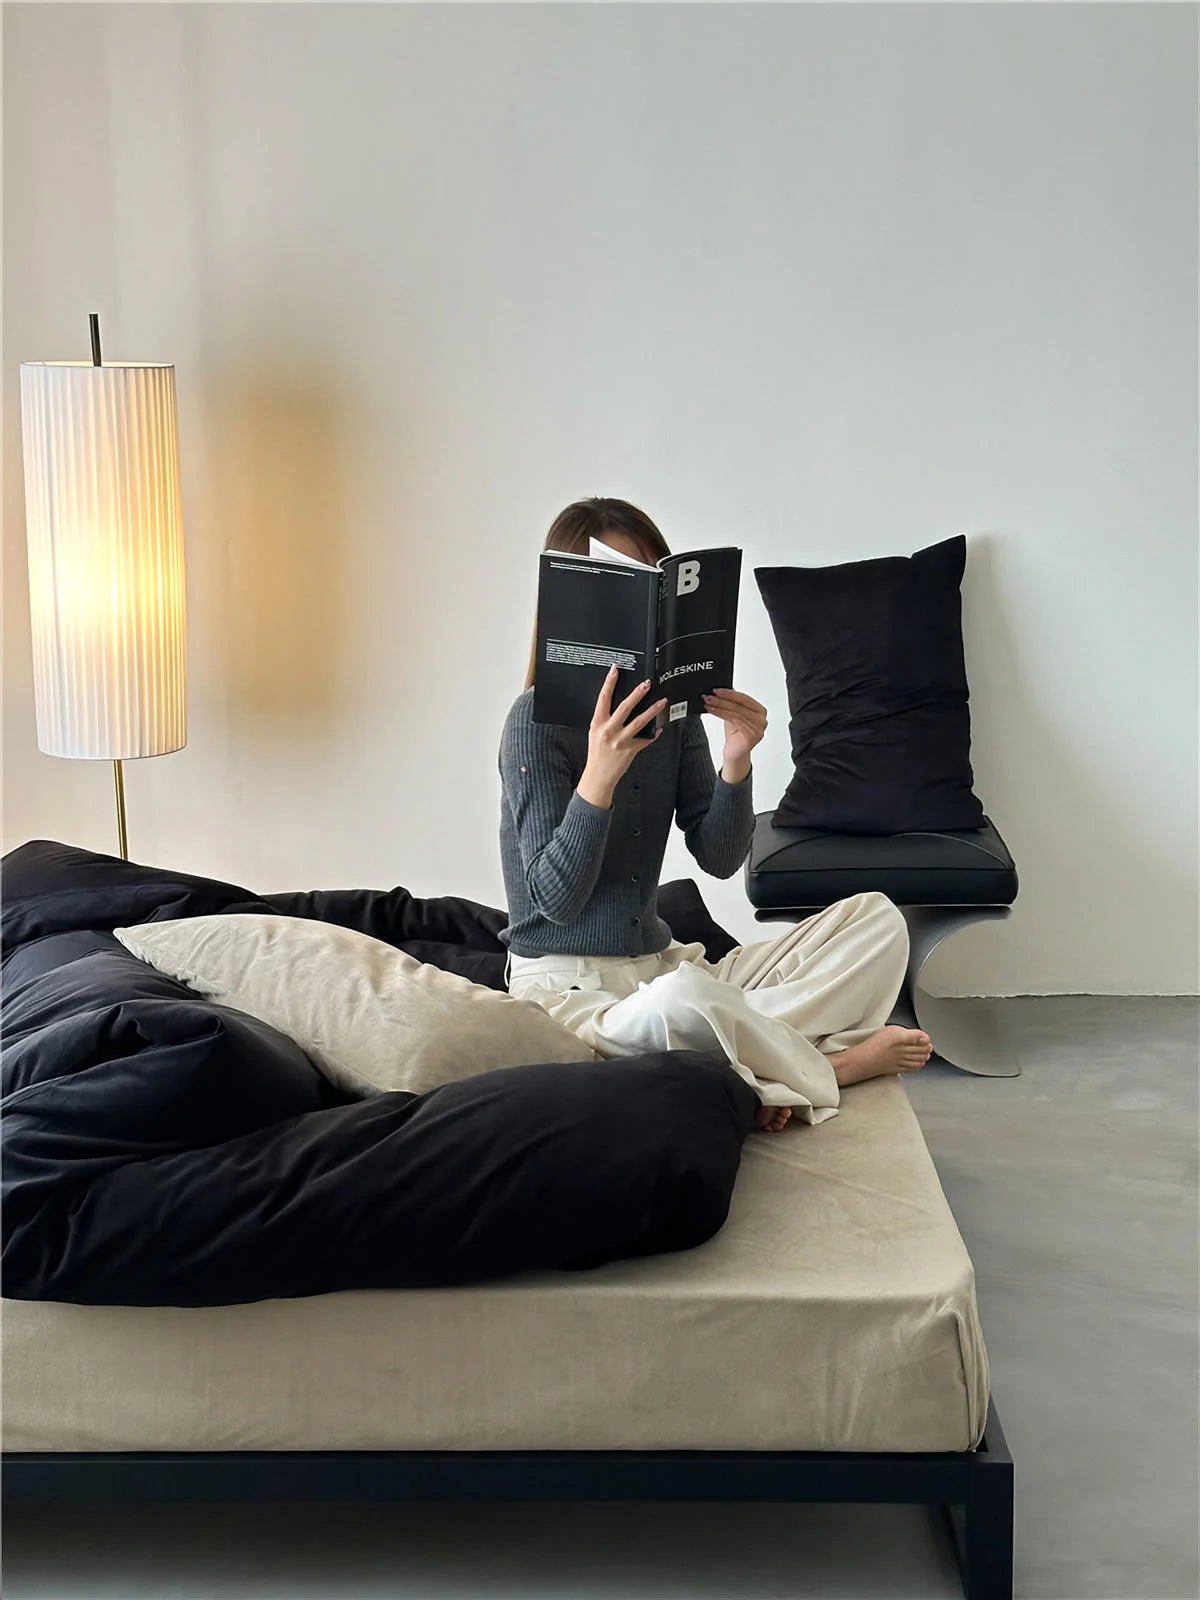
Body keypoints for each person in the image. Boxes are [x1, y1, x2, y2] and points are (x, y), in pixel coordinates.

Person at [498, 498, 931, 1130]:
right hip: (569, 993)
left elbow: (720, 857)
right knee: (685, 1001)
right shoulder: (533, 724)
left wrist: (736, 760)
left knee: (879, 920)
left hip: (662, 966)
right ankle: (824, 1068)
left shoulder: (672, 721)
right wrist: (600, 775)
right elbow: (554, 903)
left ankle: (749, 1062)